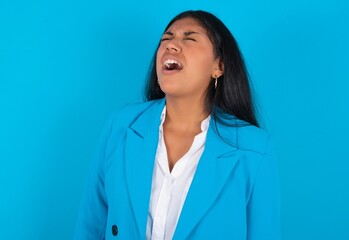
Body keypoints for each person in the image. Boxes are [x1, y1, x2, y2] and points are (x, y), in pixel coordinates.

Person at [74, 10, 280, 240]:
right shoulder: (121, 126)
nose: (171, 45)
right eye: (166, 38)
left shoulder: (254, 149)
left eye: (189, 38)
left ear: (218, 66)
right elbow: (90, 225)